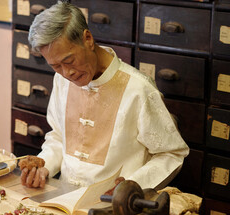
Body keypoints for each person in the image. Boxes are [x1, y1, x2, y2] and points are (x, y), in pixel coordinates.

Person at [20, 1, 189, 190]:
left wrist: (133, 186)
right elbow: (60, 137)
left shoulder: (138, 89)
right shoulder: (62, 81)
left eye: (69, 61)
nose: (67, 73)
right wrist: (45, 167)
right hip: (64, 201)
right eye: (56, 66)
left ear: (88, 39)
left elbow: (171, 154)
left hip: (116, 209)